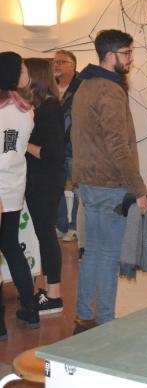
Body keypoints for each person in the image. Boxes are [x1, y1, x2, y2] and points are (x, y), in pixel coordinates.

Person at [71, 29, 147, 329]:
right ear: (109, 55)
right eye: (126, 53)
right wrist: (138, 189)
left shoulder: (84, 85)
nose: (130, 59)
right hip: (109, 185)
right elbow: (119, 147)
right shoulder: (110, 90)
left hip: (89, 183)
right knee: (108, 255)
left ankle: (83, 315)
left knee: (92, 251)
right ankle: (104, 322)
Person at [0, 52, 39, 333]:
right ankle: (30, 307)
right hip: (13, 190)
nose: (26, 73)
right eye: (23, 68)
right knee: (11, 247)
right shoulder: (25, 111)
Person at [24, 58, 66, 315]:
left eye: (24, 72)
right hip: (39, 179)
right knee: (43, 235)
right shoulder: (41, 106)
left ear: (35, 77)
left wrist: (22, 143)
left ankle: (54, 296)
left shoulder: (50, 108)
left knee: (46, 235)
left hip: (46, 180)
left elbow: (52, 153)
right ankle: (50, 292)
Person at [53, 49, 81, 243]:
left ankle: (75, 227)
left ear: (73, 65)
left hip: (74, 145)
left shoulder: (81, 86)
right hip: (54, 146)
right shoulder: (50, 87)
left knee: (77, 186)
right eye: (55, 62)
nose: (56, 65)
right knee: (57, 186)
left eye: (61, 62)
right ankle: (60, 225)